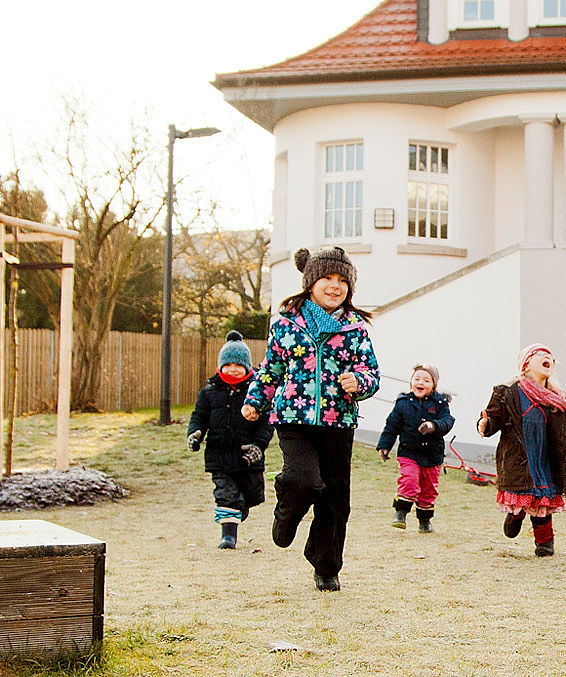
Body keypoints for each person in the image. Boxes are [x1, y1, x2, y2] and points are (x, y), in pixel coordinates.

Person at [242, 246, 381, 591]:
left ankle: (326, 565)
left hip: (338, 421)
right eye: (326, 279)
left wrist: (359, 382)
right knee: (304, 480)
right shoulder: (286, 325)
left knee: (336, 500)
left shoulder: (355, 329)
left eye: (341, 281)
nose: (334, 286)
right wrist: (255, 400)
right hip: (294, 418)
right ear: (310, 282)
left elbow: (371, 372)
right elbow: (270, 368)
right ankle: (286, 514)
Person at [477, 344, 566, 557]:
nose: (548, 358)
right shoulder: (508, 392)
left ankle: (544, 543)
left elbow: (565, 436)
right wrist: (484, 424)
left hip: (546, 461)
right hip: (519, 459)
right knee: (521, 495)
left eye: (550, 357)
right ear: (526, 365)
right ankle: (515, 516)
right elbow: (493, 419)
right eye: (540, 355)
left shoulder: (556, 399)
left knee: (543, 504)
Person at [187, 331, 273, 550]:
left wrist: (258, 446)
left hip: (247, 456)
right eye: (229, 364)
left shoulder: (257, 392)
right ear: (220, 365)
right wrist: (195, 434)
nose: (233, 369)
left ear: (247, 367)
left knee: (252, 495)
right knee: (225, 493)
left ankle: (239, 509)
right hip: (219, 453)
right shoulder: (209, 393)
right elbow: (199, 417)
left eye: (238, 365)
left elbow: (266, 422)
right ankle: (228, 536)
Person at [376, 363, 454, 533]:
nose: (421, 382)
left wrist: (433, 425)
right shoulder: (403, 403)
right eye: (417, 379)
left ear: (433, 385)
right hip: (409, 452)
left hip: (432, 455)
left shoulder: (440, 403)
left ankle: (424, 521)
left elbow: (448, 421)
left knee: (428, 489)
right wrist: (384, 446)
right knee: (409, 481)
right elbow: (391, 426)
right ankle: (401, 513)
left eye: (426, 380)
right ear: (411, 382)